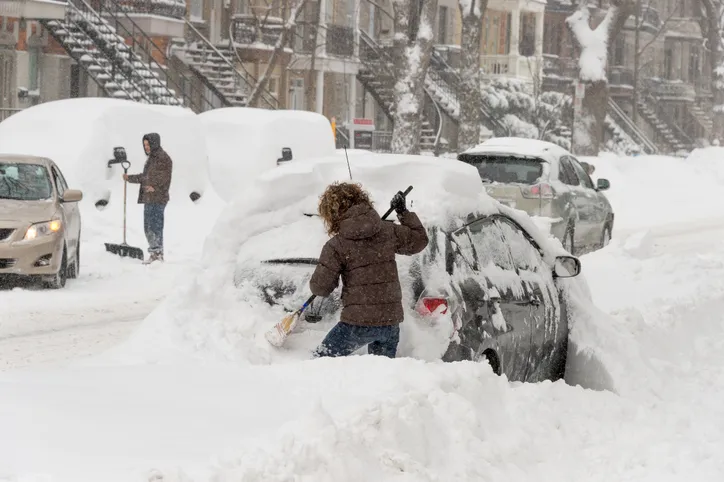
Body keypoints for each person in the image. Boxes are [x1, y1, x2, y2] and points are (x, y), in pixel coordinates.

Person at [309, 182, 429, 358]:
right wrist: (402, 212)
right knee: (381, 375)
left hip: (356, 324)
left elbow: (321, 288)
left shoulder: (336, 245)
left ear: (332, 214)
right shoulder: (387, 231)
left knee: (320, 363)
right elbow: (419, 240)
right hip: (390, 323)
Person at [123, 133, 173, 265]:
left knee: (155, 226)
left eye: (148, 144)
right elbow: (146, 177)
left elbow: (164, 177)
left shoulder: (163, 158)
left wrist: (155, 187)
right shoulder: (152, 158)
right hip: (149, 198)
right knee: (148, 226)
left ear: (154, 143)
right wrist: (130, 178)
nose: (146, 147)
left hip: (158, 198)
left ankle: (157, 253)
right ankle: (154, 252)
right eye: (144, 145)